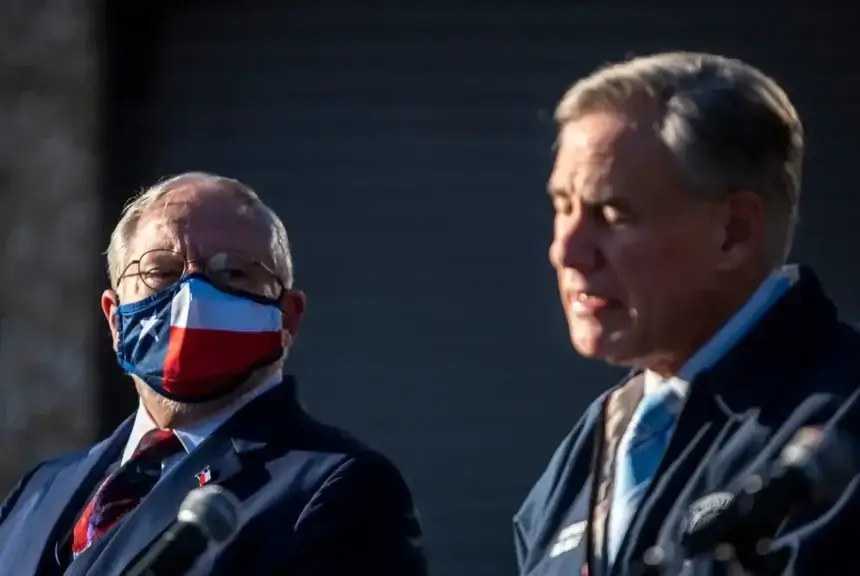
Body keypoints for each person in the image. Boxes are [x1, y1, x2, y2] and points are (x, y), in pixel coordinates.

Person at [513, 52, 860, 576]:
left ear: (734, 231)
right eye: (563, 207)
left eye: (613, 215)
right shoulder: (584, 454)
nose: (567, 250)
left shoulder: (844, 426)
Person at [0, 172, 427, 575]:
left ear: (287, 319)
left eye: (233, 273)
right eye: (160, 272)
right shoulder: (38, 491)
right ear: (114, 320)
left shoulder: (340, 490)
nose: (192, 297)